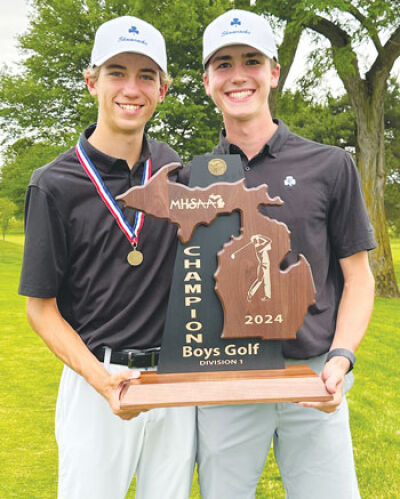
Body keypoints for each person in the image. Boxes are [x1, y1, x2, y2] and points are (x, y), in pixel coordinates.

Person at [197, 9, 376, 499]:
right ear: (208, 80)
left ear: (273, 72)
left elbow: (358, 278)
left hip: (313, 377)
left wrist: (340, 359)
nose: (238, 75)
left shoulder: (329, 164)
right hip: (227, 380)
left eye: (251, 60)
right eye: (223, 63)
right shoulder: (196, 179)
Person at [19, 16, 195, 499]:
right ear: (92, 81)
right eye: (117, 72)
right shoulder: (53, 184)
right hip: (98, 379)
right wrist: (101, 381)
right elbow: (40, 309)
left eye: (146, 76)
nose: (131, 88)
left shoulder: (172, 166)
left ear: (163, 89)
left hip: (173, 384)